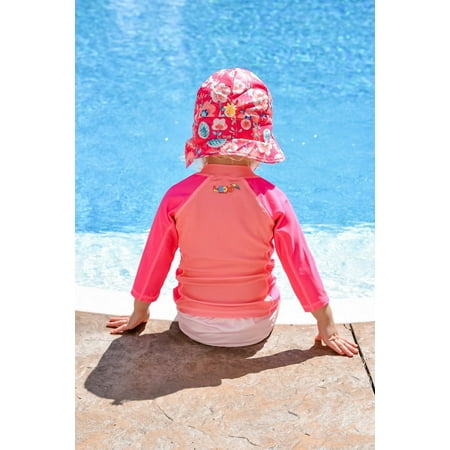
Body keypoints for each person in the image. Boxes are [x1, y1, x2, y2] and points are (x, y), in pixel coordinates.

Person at [106, 68, 358, 357]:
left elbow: (155, 258)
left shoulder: (177, 197)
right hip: (256, 325)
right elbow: (299, 264)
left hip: (194, 322)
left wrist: (140, 310)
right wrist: (326, 323)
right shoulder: (272, 199)